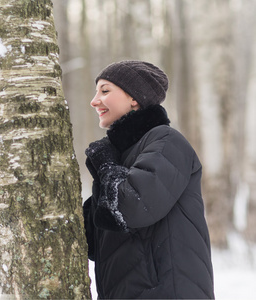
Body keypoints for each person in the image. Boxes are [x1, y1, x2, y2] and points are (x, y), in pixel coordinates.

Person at [83, 60, 215, 299]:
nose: (94, 101)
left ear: (134, 98)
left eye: (105, 90)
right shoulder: (122, 156)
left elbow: (132, 207)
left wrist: (105, 167)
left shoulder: (167, 142)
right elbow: (95, 242)